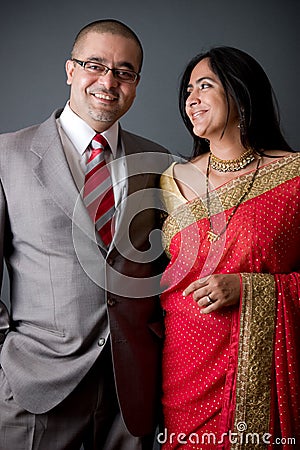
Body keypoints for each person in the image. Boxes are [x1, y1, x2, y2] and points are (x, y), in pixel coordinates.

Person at [0, 19, 170, 450]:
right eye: (94, 65)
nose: (108, 81)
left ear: (136, 84)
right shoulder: (7, 156)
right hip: (36, 387)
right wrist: (8, 356)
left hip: (131, 392)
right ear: (70, 70)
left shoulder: (162, 164)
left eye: (124, 72)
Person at [159, 46, 300, 449]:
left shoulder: (293, 177)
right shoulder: (168, 181)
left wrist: (249, 288)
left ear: (240, 93)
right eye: (188, 90)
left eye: (206, 86)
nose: (192, 99)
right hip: (185, 364)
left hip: (264, 367)